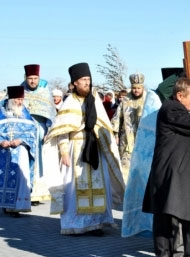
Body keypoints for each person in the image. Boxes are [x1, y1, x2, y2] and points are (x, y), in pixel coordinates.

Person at [42, 62, 125, 235]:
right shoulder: (70, 102)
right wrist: (63, 151)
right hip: (76, 151)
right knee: (75, 187)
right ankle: (77, 224)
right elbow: (61, 131)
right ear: (75, 83)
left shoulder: (95, 100)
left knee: (99, 185)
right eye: (83, 80)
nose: (87, 83)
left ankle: (97, 223)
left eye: (88, 79)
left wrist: (106, 146)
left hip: (95, 148)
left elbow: (104, 126)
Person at [142, 77, 190, 257]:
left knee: (189, 220)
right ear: (179, 96)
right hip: (171, 176)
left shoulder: (179, 110)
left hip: (182, 176)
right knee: (167, 220)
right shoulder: (171, 109)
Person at [20, 64, 56, 204]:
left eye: (35, 78)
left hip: (40, 132)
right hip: (24, 132)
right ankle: (25, 192)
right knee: (25, 161)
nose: (33, 81)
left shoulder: (44, 91)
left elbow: (51, 114)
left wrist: (49, 130)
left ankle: (36, 193)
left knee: (39, 163)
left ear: (39, 78)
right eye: (30, 78)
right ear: (26, 78)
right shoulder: (21, 91)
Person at [0, 86, 37, 217]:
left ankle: (16, 207)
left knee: (21, 178)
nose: (20, 102)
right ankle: (4, 205)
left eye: (22, 99)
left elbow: (33, 132)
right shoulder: (0, 112)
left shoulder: (25, 114)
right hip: (3, 152)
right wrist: (1, 141)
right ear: (10, 99)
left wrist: (21, 139)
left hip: (20, 152)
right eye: (17, 99)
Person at [111, 73, 147, 182]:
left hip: (144, 140)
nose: (136, 90)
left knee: (143, 171)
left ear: (142, 87)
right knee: (125, 172)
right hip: (126, 141)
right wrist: (115, 134)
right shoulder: (126, 100)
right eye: (134, 88)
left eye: (138, 88)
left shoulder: (148, 99)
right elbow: (117, 117)